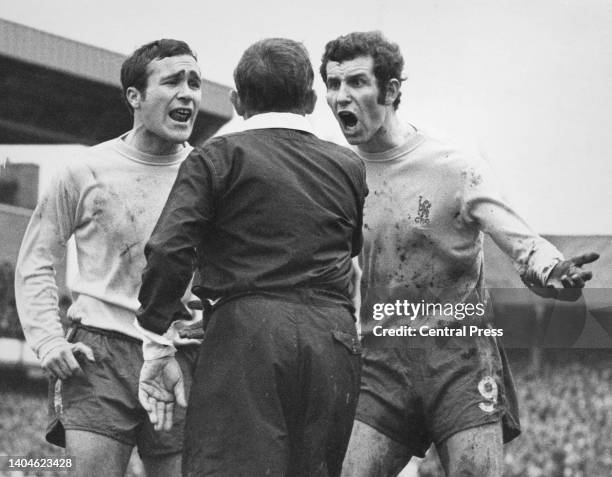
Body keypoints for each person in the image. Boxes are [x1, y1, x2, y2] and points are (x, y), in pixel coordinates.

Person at [320, 31, 599, 476]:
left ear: (391, 91)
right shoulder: (338, 175)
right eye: (332, 85)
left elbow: (520, 240)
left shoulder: (453, 167)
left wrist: (551, 269)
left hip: (459, 360)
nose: (340, 98)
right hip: (382, 362)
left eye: (356, 82)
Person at [135, 37, 367, 477]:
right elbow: (347, 250)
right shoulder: (349, 166)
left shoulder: (215, 158)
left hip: (248, 337)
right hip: (333, 341)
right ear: (313, 100)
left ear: (238, 101)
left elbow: (169, 250)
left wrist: (155, 340)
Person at [15, 39, 203, 477]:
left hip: (179, 353)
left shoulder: (208, 173)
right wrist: (48, 340)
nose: (188, 93)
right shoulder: (86, 169)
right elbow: (38, 259)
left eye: (194, 82)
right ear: (134, 97)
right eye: (173, 80)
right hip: (98, 355)